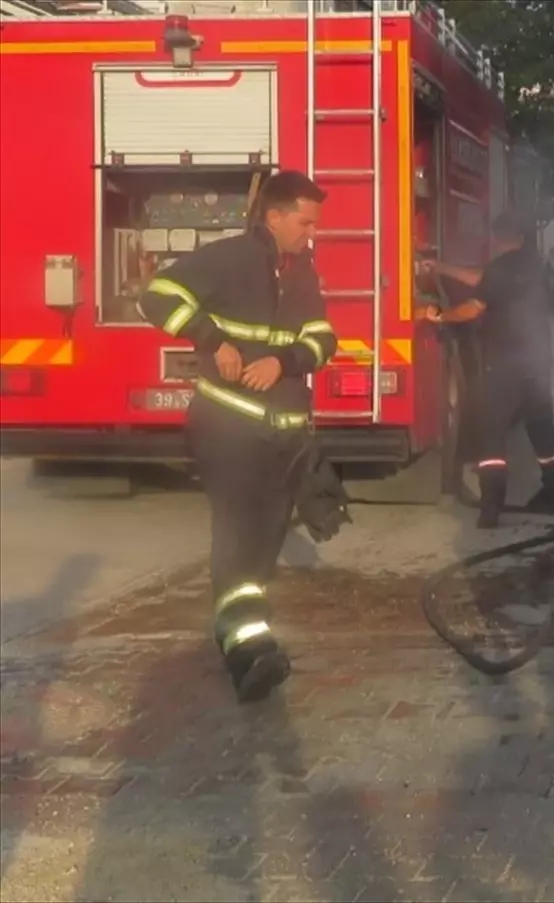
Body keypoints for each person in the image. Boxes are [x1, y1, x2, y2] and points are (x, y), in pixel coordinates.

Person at [137, 170, 339, 704]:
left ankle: (248, 628)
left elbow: (323, 338)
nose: (311, 232)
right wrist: (211, 337)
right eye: (305, 221)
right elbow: (155, 296)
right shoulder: (227, 257)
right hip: (228, 427)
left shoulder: (301, 270)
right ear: (273, 216)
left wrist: (284, 359)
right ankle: (246, 649)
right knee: (237, 531)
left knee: (267, 535)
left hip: (283, 437)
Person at [419, 211, 554, 528]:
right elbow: (485, 280)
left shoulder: (498, 269)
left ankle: (490, 507)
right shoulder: (536, 266)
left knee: (491, 433)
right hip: (539, 362)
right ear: (522, 238)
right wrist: (443, 268)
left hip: (504, 365)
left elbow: (474, 306)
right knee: (542, 428)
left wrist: (438, 316)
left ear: (496, 239)